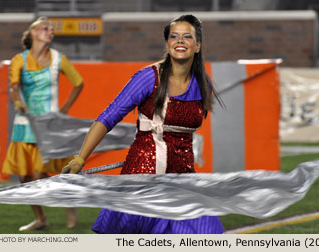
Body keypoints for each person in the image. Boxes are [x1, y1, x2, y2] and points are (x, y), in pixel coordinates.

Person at [62, 14, 224, 234]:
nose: (179, 41)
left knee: (208, 236)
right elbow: (108, 117)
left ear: (197, 46)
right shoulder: (148, 77)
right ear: (167, 44)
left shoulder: (202, 83)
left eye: (187, 37)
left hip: (183, 180)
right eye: (174, 36)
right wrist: (80, 158)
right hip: (143, 177)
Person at [2, 17, 84, 231]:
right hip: (25, 125)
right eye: (45, 28)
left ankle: (69, 205)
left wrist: (64, 109)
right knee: (25, 177)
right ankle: (41, 218)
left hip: (49, 125)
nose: (51, 32)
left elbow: (78, 82)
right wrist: (18, 101)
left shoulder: (58, 59)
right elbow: (13, 87)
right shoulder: (19, 59)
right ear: (32, 33)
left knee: (41, 172)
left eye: (52, 29)